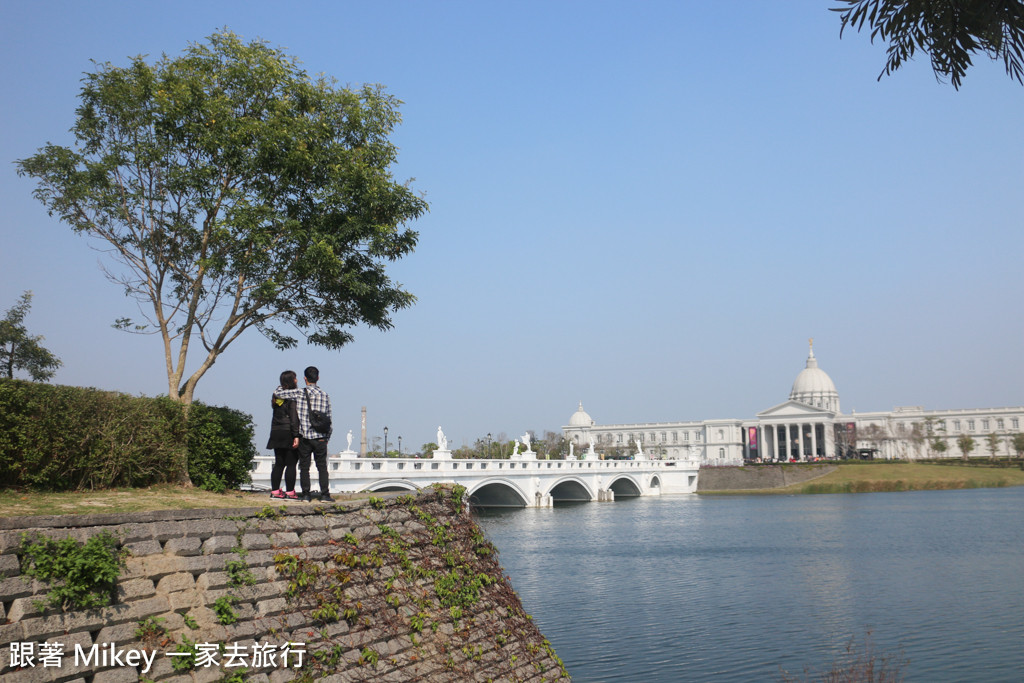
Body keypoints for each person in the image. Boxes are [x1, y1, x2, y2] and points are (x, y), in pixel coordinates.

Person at [274, 366, 333, 502]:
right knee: (322, 467)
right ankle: (325, 494)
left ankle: (306, 494)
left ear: (305, 378)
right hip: (321, 438)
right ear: (318, 378)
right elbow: (329, 419)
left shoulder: (300, 393)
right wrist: (327, 437)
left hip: (305, 437)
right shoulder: (325, 395)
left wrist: (282, 384)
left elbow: (278, 393)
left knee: (304, 467)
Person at [266, 370, 300, 499]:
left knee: (279, 463)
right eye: (295, 379)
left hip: (276, 431)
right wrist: (296, 435)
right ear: (291, 381)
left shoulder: (276, 396)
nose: (297, 381)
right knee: (291, 463)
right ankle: (290, 492)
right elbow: (293, 418)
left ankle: (275, 491)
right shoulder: (291, 398)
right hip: (288, 432)